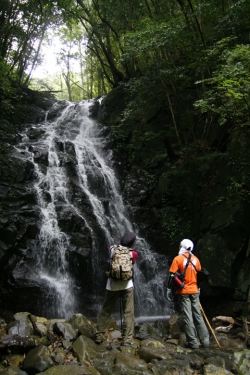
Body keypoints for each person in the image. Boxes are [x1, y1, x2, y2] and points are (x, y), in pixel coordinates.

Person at [94, 231, 138, 346]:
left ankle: (98, 335)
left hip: (112, 285)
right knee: (128, 312)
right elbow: (132, 264)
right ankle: (127, 340)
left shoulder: (112, 249)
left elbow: (110, 257)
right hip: (127, 285)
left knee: (106, 310)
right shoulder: (133, 253)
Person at [166, 238, 209, 349]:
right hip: (195, 291)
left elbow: (172, 275)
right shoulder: (196, 259)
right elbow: (198, 274)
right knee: (198, 315)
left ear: (183, 247)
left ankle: (193, 343)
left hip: (183, 291)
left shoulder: (178, 259)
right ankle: (205, 341)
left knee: (188, 316)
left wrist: (169, 290)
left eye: (180, 246)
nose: (179, 247)